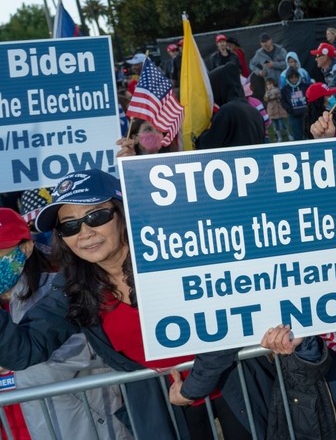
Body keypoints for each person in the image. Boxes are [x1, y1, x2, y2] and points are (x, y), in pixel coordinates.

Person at [0, 170, 274, 440]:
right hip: (164, 405)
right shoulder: (73, 285)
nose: (84, 233)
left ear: (122, 212)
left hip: (235, 383)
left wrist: (194, 386)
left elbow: (227, 319)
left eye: (96, 216)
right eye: (69, 226)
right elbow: (24, 351)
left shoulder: (172, 252)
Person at [0, 207, 132, 440]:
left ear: (26, 249)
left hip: (80, 426)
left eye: (0, 253)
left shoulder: (61, 290)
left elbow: (95, 347)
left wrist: (11, 358)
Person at [196, 61, 265, 149]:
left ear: (220, 87)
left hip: (233, 160)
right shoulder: (254, 110)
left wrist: (198, 136)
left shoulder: (227, 111)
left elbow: (208, 144)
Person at [280, 67, 310, 141]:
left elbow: (310, 97)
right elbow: (283, 101)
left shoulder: (305, 86)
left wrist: (309, 109)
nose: (294, 79)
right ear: (288, 78)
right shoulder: (285, 89)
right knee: (297, 136)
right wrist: (289, 110)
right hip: (294, 116)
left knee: (309, 133)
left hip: (306, 115)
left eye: (296, 77)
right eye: (292, 77)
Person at [264, 77, 290, 142]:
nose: (269, 85)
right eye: (267, 84)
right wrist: (268, 93)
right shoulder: (267, 92)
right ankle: (279, 137)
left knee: (282, 124)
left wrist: (270, 94)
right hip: (272, 111)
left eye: (270, 84)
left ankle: (289, 134)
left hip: (278, 110)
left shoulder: (276, 89)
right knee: (275, 126)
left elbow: (276, 95)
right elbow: (266, 98)